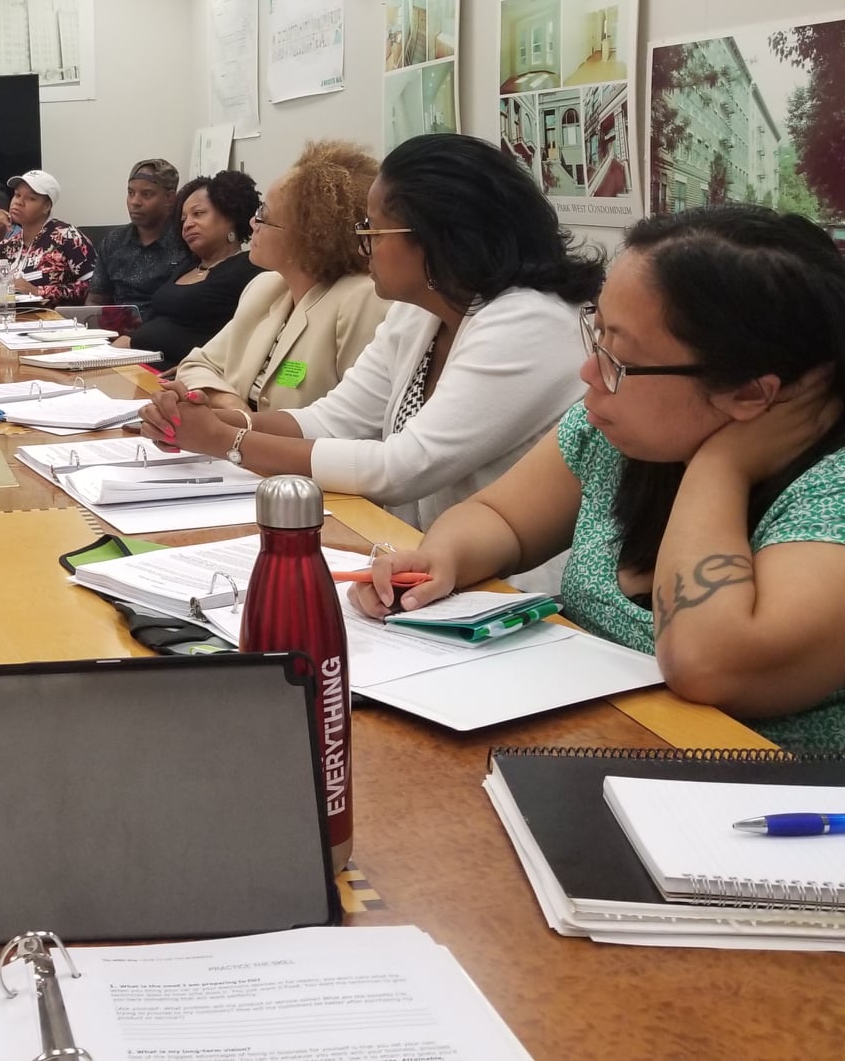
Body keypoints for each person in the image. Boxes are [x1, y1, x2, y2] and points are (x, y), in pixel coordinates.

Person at [352, 207, 845, 748]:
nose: (590, 372)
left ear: (750, 394)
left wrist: (719, 466)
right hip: (591, 751)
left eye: (618, 358)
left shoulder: (830, 493)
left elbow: (705, 664)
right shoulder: (617, 428)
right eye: (597, 332)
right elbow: (500, 518)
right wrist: (441, 560)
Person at [142, 134, 602, 548]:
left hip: (518, 593)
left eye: (373, 230)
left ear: (438, 241)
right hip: (420, 557)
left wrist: (229, 440)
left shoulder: (528, 320)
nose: (362, 244)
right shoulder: (420, 311)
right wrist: (212, 418)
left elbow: (403, 466)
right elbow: (331, 419)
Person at [175, 140, 388, 412]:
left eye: (263, 214)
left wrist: (241, 427)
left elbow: (355, 421)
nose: (252, 223)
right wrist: (235, 408)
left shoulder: (361, 299)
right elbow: (196, 365)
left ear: (307, 237)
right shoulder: (266, 288)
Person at [117, 170, 262, 368]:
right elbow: (156, 321)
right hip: (136, 362)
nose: (188, 225)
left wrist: (199, 370)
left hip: (183, 377)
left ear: (230, 216)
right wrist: (117, 348)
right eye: (184, 219)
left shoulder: (249, 268)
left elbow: (245, 342)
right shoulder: (188, 266)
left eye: (198, 214)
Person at [0, 170, 97, 308]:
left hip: (52, 321)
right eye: (17, 195)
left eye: (31, 198)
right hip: (8, 319)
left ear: (46, 206)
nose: (19, 202)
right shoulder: (8, 246)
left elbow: (95, 288)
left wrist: (38, 292)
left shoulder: (67, 236)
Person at [86, 160, 187, 308]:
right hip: (117, 327)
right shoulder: (114, 241)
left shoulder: (185, 241)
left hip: (166, 325)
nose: (135, 202)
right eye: (131, 193)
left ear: (169, 198)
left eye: (146, 194)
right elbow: (95, 301)